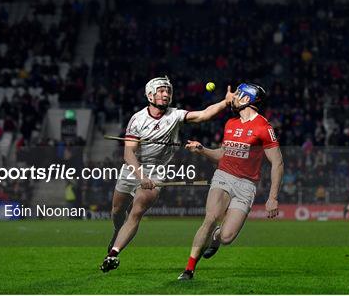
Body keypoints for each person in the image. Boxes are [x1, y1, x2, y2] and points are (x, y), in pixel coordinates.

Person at [100, 76, 234, 272]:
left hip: (156, 171)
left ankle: (113, 254)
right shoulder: (137, 119)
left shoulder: (175, 115)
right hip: (132, 168)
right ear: (150, 95)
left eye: (168, 91)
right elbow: (129, 153)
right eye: (161, 91)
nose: (166, 94)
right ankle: (115, 234)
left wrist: (225, 102)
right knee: (117, 211)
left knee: (136, 212)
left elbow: (203, 115)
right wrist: (140, 177)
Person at [177, 83, 284, 280]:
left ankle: (216, 238)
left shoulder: (263, 128)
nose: (232, 99)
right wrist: (202, 150)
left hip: (246, 185)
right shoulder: (230, 124)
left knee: (227, 237)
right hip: (223, 176)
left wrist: (273, 197)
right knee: (210, 218)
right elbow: (221, 155)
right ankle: (189, 269)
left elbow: (277, 163)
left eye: (237, 95)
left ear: (247, 99)